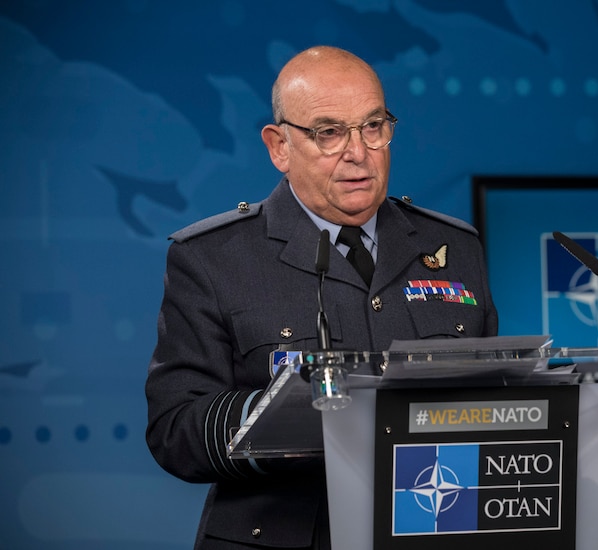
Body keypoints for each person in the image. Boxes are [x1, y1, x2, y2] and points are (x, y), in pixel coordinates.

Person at [145, 45, 498, 549]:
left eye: (373, 126)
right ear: (279, 147)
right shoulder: (212, 258)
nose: (358, 153)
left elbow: (489, 405)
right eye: (329, 133)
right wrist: (287, 414)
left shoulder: (455, 249)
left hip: (431, 525)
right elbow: (173, 431)